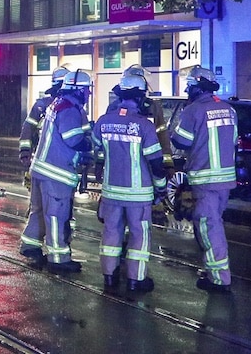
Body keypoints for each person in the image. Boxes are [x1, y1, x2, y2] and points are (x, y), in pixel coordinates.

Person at [91, 74, 167, 292]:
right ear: (140, 97)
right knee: (138, 235)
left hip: (112, 193)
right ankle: (136, 280)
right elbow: (155, 162)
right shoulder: (144, 125)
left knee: (111, 234)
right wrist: (161, 188)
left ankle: (109, 277)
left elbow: (97, 150)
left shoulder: (104, 122)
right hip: (139, 194)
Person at [19, 70, 94, 274]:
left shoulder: (55, 104)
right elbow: (75, 139)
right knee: (56, 215)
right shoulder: (70, 109)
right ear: (78, 90)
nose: (88, 93)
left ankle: (30, 246)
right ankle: (58, 259)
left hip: (41, 168)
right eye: (86, 90)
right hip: (57, 172)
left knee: (38, 212)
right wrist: (89, 146)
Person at [170, 65, 236, 293]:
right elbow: (233, 140)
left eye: (189, 86)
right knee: (214, 223)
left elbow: (181, 142)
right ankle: (213, 270)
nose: (188, 90)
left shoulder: (193, 110)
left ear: (196, 87)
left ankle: (219, 278)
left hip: (204, 179)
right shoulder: (228, 109)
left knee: (209, 228)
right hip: (225, 180)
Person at [105, 64, 173, 168]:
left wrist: (167, 164)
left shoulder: (153, 107)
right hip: (127, 165)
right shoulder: (114, 108)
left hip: (143, 164)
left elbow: (162, 136)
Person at [19, 66, 71, 185]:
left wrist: (25, 152)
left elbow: (27, 129)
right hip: (49, 160)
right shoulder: (42, 106)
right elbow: (28, 129)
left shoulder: (44, 105)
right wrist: (25, 151)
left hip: (48, 162)